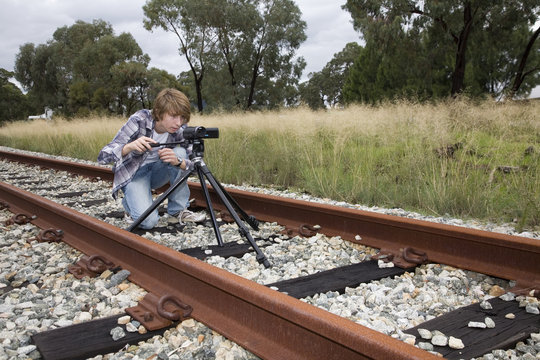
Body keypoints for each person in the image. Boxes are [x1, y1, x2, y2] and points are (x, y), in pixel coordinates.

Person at [98, 88, 205, 229]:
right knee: (149, 222)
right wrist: (129, 147)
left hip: (158, 173)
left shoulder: (180, 129)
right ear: (159, 112)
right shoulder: (139, 120)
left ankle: (178, 211)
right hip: (135, 175)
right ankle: (130, 205)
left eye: (182, 118)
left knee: (180, 152)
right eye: (173, 116)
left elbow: (199, 166)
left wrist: (180, 162)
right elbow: (103, 156)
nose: (179, 123)